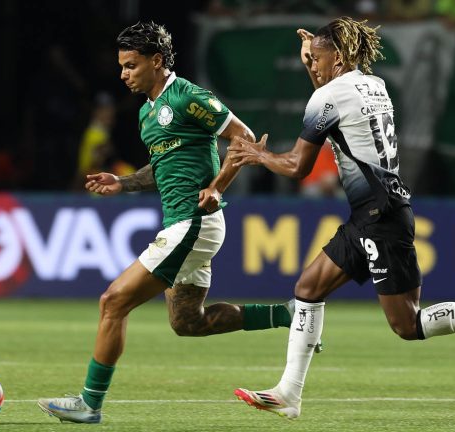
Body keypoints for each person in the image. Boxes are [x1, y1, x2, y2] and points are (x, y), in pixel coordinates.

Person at [227, 17, 455, 420]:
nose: (312, 65)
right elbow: (330, 106)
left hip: (379, 216)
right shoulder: (375, 86)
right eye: (310, 60)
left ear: (340, 57)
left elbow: (297, 166)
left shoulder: (329, 96)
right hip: (379, 211)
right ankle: (288, 393)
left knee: (407, 325)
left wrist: (257, 154)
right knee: (308, 288)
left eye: (318, 59)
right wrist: (311, 60)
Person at [37, 22, 305, 424]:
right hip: (185, 224)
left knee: (113, 301)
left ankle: (89, 404)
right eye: (122, 66)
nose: (124, 74)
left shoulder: (187, 96)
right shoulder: (147, 112)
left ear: (157, 61)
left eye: (131, 65)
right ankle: (291, 316)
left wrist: (217, 186)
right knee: (188, 322)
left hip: (193, 223)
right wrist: (123, 182)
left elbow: (243, 136)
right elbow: (160, 168)